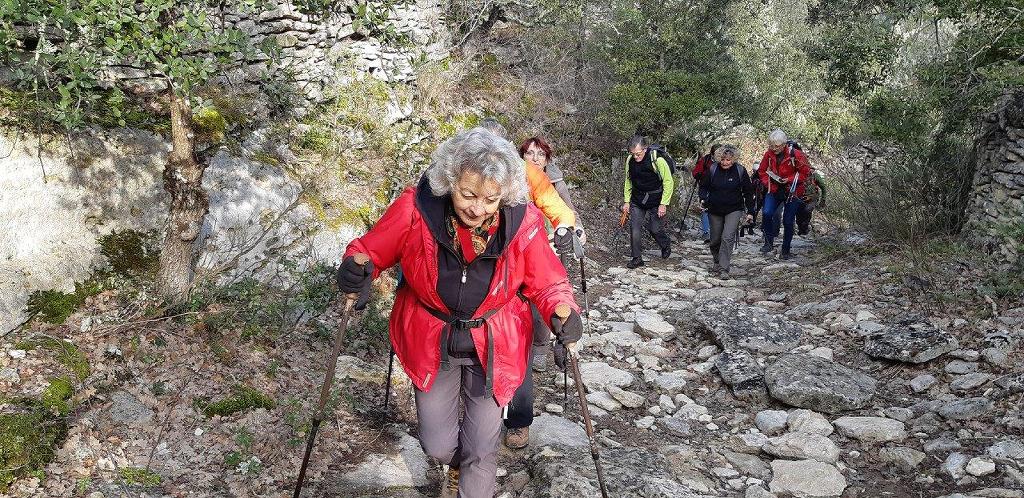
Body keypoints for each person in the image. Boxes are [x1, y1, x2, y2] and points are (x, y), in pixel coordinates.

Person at [337, 127, 582, 497]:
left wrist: (563, 314)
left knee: (482, 450)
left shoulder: (523, 223)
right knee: (436, 444)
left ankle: (470, 477)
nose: (477, 209)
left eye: (490, 200)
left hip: (496, 343)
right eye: (468, 194)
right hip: (432, 338)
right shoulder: (416, 209)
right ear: (450, 180)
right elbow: (370, 248)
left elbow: (549, 283)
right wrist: (358, 269)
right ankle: (456, 463)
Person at [501, 136, 582, 450]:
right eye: (528, 153)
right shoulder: (470, 179)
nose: (533, 157)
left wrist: (565, 229)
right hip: (490, 271)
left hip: (533, 263)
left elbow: (563, 211)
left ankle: (518, 418)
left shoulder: (539, 178)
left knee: (524, 334)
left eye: (539, 154)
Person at [479, 118, 579, 257]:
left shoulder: (528, 172)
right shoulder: (461, 169)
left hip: (520, 245)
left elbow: (559, 208)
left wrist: (564, 227)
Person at [700, 145, 755, 276]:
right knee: (715, 240)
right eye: (723, 159)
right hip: (714, 209)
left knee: (727, 237)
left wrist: (750, 211)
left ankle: (724, 268)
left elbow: (748, 192)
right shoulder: (712, 169)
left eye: (728, 160)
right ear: (719, 159)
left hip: (734, 209)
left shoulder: (740, 171)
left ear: (734, 160)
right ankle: (717, 261)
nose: (725, 162)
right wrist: (703, 198)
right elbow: (703, 187)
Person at [757, 129, 811, 260]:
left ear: (784, 144)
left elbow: (805, 173)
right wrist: (768, 182)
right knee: (767, 213)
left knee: (788, 220)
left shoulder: (796, 155)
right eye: (771, 146)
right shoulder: (768, 155)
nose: (773, 149)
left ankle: (786, 248)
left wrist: (790, 179)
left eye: (776, 146)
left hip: (793, 191)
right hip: (774, 189)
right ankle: (768, 243)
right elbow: (762, 171)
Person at [622, 135, 674, 268]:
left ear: (645, 149)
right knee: (635, 228)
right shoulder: (630, 160)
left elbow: (668, 182)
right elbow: (628, 181)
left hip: (656, 199)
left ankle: (665, 244)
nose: (635, 157)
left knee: (654, 228)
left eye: (638, 154)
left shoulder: (657, 160)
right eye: (633, 154)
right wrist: (627, 201)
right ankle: (637, 258)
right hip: (637, 199)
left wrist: (664, 203)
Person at [692, 144, 722, 242]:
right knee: (705, 208)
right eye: (717, 154)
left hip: (720, 189)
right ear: (712, 153)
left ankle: (716, 232)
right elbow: (695, 172)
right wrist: (700, 175)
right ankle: (706, 232)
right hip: (705, 187)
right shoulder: (705, 160)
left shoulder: (725, 160)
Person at [796, 167, 827, 236]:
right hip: (799, 198)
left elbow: (823, 187)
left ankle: (805, 229)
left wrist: (823, 199)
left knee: (807, 211)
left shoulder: (815, 176)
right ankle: (801, 229)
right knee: (798, 215)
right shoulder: (797, 174)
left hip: (812, 198)